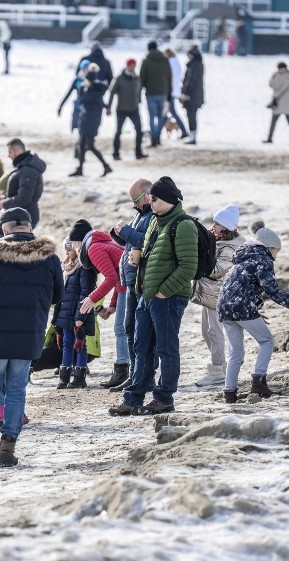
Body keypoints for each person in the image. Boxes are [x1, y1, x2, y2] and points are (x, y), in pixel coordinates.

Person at [0, 207, 62, 468]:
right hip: (29, 335)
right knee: (17, 392)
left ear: (4, 229)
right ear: (29, 227)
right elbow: (57, 296)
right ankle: (8, 450)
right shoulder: (49, 257)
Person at [110, 176, 198, 416]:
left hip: (167, 297)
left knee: (166, 348)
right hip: (145, 295)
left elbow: (188, 267)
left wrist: (162, 292)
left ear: (167, 200)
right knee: (141, 348)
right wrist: (138, 257)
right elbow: (152, 252)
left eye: (154, 198)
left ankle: (163, 398)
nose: (150, 202)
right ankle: (133, 398)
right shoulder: (154, 222)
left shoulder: (184, 225)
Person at [217, 222, 289, 402]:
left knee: (235, 353)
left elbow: (237, 288)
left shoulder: (242, 260)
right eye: (277, 251)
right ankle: (259, 384)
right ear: (269, 247)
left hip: (224, 308)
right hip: (241, 308)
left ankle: (229, 393)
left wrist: (252, 309)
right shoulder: (262, 260)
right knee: (267, 340)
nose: (276, 257)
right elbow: (274, 291)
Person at [104, 178, 153, 390]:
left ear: (148, 195)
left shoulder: (153, 216)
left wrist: (125, 231)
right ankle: (134, 375)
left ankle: (143, 377)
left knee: (141, 333)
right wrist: (120, 236)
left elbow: (146, 241)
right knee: (129, 329)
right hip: (131, 281)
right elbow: (134, 243)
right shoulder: (140, 214)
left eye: (136, 200)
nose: (134, 204)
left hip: (142, 281)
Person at [191, 205, 245, 387]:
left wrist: (202, 252)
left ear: (227, 227)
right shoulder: (219, 240)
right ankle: (222, 367)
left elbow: (216, 270)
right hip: (209, 294)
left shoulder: (231, 247)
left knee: (214, 332)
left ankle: (216, 372)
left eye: (217, 224)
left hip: (218, 295)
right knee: (206, 332)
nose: (213, 226)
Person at [71, 219, 126, 387]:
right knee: (129, 329)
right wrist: (114, 304)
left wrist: (92, 298)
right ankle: (131, 370)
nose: (74, 249)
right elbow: (119, 272)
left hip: (131, 286)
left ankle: (123, 370)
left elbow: (112, 278)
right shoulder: (103, 241)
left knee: (121, 329)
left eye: (73, 245)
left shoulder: (94, 248)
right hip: (128, 285)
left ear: (79, 242)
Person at [53, 237, 96, 389]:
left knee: (80, 345)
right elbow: (62, 294)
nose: (67, 252)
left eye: (69, 249)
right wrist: (56, 318)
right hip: (65, 314)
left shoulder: (84, 268)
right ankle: (64, 377)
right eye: (66, 250)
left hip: (78, 314)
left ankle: (79, 377)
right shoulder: (67, 269)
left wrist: (80, 316)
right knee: (66, 344)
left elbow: (85, 293)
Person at [69, 63, 113, 178]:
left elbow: (82, 100)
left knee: (90, 145)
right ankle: (80, 168)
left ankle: (106, 166)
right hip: (87, 120)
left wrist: (83, 89)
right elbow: (100, 102)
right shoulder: (96, 90)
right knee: (82, 144)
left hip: (90, 121)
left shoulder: (91, 90)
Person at [0, 138, 46, 230]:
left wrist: (4, 203)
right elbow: (19, 191)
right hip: (20, 215)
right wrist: (5, 197)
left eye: (10, 152)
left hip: (25, 218)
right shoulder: (23, 166)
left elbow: (24, 198)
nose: (8, 155)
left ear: (17, 151)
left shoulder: (28, 170)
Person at [107, 58, 147, 161]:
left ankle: (138, 153)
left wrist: (139, 101)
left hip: (134, 109)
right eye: (131, 65)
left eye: (134, 65)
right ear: (127, 66)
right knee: (118, 131)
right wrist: (109, 107)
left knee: (139, 130)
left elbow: (139, 90)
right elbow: (112, 92)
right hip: (122, 109)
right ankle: (115, 153)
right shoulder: (120, 78)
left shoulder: (137, 78)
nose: (132, 67)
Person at [139, 41, 172, 148]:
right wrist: (169, 92)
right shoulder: (165, 60)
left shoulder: (146, 61)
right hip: (163, 91)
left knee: (152, 116)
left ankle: (154, 137)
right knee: (162, 116)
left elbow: (142, 78)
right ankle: (158, 135)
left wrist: (139, 91)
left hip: (151, 92)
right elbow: (169, 76)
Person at [264, 62, 289, 144]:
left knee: (273, 122)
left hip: (279, 103)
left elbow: (272, 85)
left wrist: (274, 76)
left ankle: (269, 138)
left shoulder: (280, 76)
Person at [180, 45, 204, 145]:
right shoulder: (200, 65)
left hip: (191, 95)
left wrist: (184, 93)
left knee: (191, 116)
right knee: (192, 115)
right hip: (198, 94)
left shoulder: (193, 66)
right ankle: (192, 136)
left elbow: (190, 81)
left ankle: (192, 137)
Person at [164, 48, 189, 139]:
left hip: (169, 91)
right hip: (174, 90)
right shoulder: (176, 63)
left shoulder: (170, 63)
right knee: (170, 111)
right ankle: (181, 129)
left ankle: (183, 130)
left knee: (170, 112)